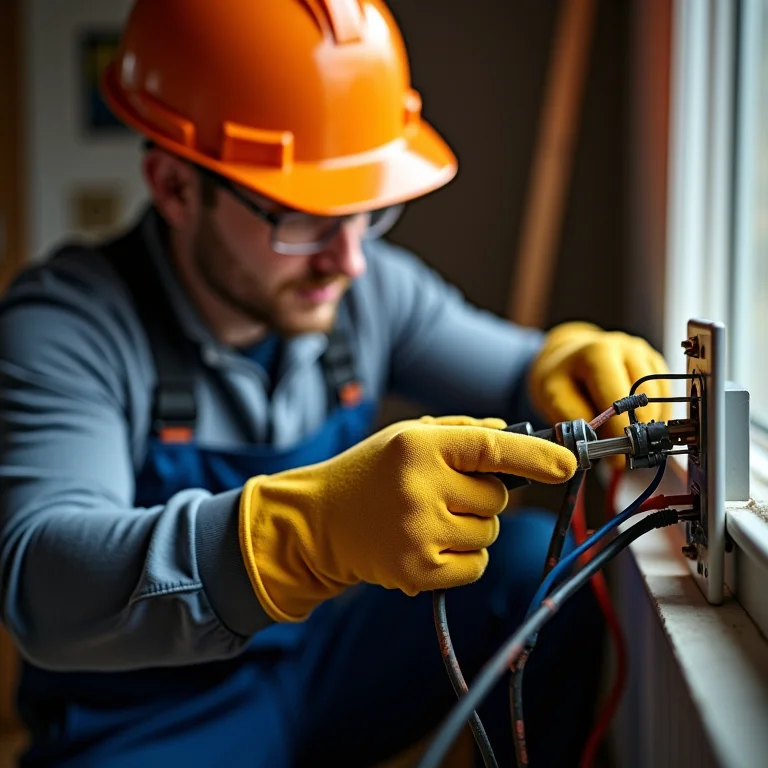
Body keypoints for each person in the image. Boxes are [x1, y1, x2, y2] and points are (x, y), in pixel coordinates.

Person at [0, 1, 670, 766]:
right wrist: (305, 536)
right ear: (176, 187)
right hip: (145, 719)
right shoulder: (64, 323)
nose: (348, 261)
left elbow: (520, 374)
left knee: (529, 576)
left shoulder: (367, 289)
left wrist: (565, 364)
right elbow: (41, 579)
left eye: (366, 213)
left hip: (319, 668)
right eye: (303, 219)